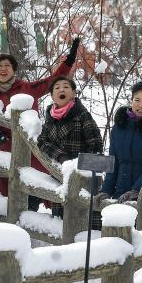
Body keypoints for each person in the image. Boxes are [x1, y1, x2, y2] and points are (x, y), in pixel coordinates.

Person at [0, 38, 81, 208]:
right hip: (7, 152)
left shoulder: (26, 88)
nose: (3, 69)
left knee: (39, 188)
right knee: (12, 196)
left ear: (14, 70)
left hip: (33, 150)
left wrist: (69, 61)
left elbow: (53, 79)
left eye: (7, 66)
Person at [38, 75, 103, 222]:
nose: (62, 89)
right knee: (62, 221)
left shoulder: (82, 115)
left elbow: (96, 145)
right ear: (52, 95)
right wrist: (61, 156)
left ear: (74, 93)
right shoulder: (50, 116)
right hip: (61, 176)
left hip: (83, 178)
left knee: (85, 222)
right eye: (57, 87)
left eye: (66, 87)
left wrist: (82, 168)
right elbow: (42, 141)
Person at [97, 81, 142, 204]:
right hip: (121, 192)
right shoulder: (119, 128)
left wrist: (135, 190)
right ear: (131, 101)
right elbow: (113, 162)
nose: (141, 105)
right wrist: (106, 190)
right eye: (137, 100)